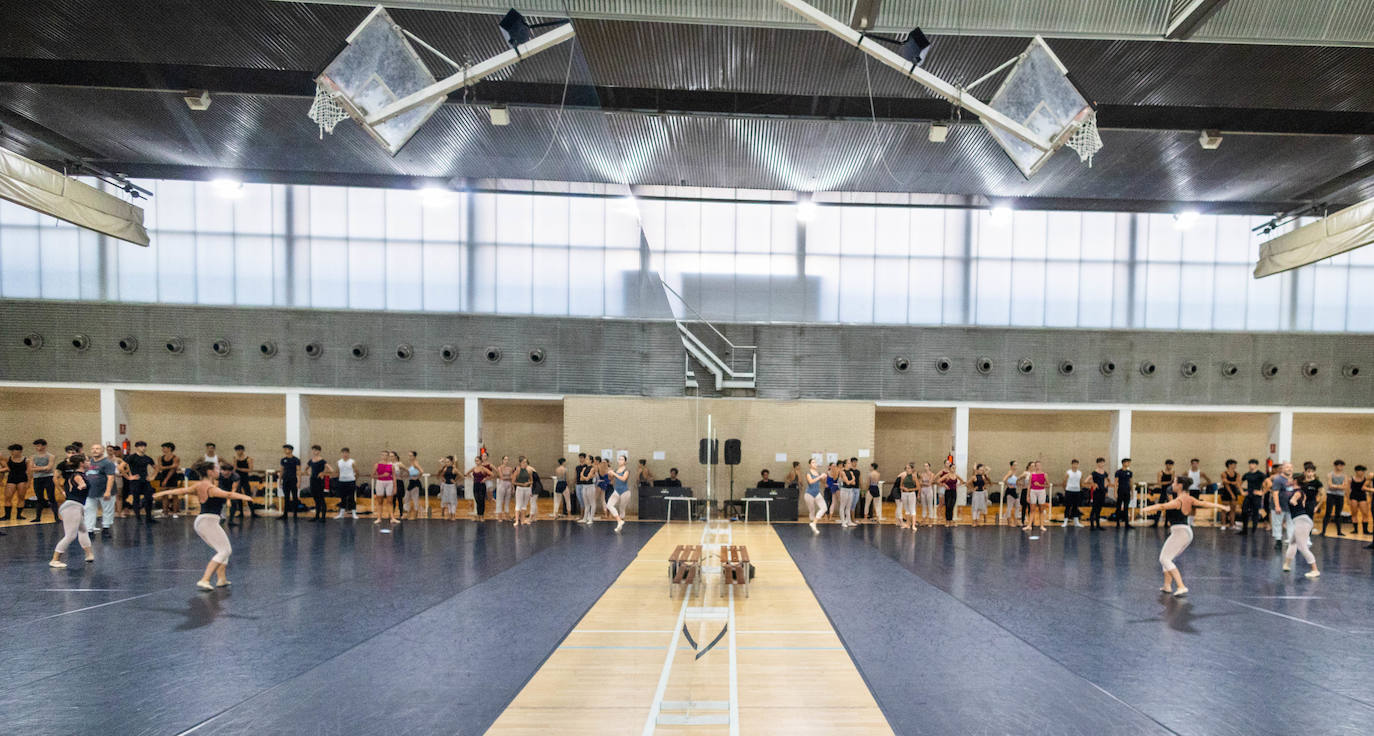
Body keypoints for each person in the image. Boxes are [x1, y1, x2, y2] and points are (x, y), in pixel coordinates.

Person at [153, 461, 255, 590]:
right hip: (208, 522)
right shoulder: (210, 488)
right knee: (225, 551)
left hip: (204, 521)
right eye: (216, 468)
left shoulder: (199, 485)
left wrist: (162, 493)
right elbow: (228, 494)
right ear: (210, 472)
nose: (219, 470)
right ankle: (205, 579)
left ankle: (221, 579)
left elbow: (182, 490)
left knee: (223, 549)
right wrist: (245, 497)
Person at [1140, 477, 1230, 596]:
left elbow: (1162, 506)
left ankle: (1181, 585)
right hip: (1185, 532)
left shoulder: (1179, 501)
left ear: (1180, 486)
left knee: (1164, 559)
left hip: (1180, 532)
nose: (1173, 484)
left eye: (1175, 482)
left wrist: (1147, 508)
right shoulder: (1189, 498)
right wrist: (1222, 507)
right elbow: (1204, 503)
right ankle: (1167, 585)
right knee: (1167, 557)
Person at [48, 454, 95, 568]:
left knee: (83, 530)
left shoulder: (79, 474)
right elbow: (81, 484)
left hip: (76, 506)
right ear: (82, 463)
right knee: (70, 535)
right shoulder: (78, 475)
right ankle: (55, 559)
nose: (89, 463)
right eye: (87, 461)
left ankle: (89, 554)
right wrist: (82, 486)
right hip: (71, 507)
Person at [1284, 464, 1322, 578]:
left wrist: (1293, 501)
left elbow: (1293, 500)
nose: (1288, 480)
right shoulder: (1301, 492)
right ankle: (1286, 564)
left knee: (1302, 547)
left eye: (1290, 478)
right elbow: (1302, 502)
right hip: (1302, 520)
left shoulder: (1298, 492)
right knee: (1292, 543)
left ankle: (1315, 570)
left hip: (1302, 522)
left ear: (1295, 481)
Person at [83, 442, 118, 538]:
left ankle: (106, 528)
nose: (95, 450)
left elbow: (111, 477)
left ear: (103, 451)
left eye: (97, 448)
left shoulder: (108, 463)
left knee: (107, 510)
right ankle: (89, 530)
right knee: (89, 510)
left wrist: (108, 491)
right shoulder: (88, 462)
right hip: (91, 491)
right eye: (93, 448)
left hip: (104, 491)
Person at [123, 441, 157, 524]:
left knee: (149, 498)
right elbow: (121, 467)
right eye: (141, 446)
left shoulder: (147, 458)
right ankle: (138, 518)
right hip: (135, 481)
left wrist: (152, 477)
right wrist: (129, 477)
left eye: (144, 446)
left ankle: (148, 518)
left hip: (145, 481)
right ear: (137, 447)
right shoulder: (132, 457)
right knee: (136, 499)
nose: (143, 448)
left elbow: (156, 468)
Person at [28, 439, 57, 523]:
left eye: (39, 445)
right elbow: (31, 469)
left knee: (51, 497)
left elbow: (49, 468)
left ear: (44, 446)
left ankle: (56, 517)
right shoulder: (33, 457)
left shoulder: (50, 456)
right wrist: (43, 468)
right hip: (37, 478)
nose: (38, 447)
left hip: (48, 478)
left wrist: (37, 468)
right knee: (39, 498)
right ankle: (38, 517)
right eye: (36, 446)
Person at [227, 444, 255, 526]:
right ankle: (241, 513)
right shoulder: (235, 458)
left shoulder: (248, 459)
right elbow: (234, 469)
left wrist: (238, 468)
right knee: (238, 495)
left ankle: (252, 512)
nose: (239, 452)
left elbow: (250, 470)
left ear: (243, 450)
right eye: (237, 450)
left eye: (240, 450)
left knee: (248, 494)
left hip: (245, 479)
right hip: (237, 479)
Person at [1268, 462, 1294, 550]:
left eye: (1290, 467)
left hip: (1290, 506)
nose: (1289, 469)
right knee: (1277, 523)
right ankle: (1278, 540)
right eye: (1287, 467)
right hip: (1280, 505)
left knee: (1291, 524)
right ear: (1282, 469)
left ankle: (1291, 541)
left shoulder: (1293, 480)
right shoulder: (1278, 479)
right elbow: (1275, 493)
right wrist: (1277, 506)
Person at [1239, 459, 1268, 536]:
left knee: (1255, 512)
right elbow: (1239, 483)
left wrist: (1262, 492)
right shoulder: (1247, 474)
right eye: (1250, 464)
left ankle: (1253, 531)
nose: (1251, 465)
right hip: (1248, 494)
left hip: (1256, 496)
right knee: (1244, 511)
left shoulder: (1260, 474)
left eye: (1252, 464)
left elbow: (1269, 484)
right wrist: (1242, 492)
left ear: (1256, 465)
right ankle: (1244, 530)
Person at [154, 442, 182, 519]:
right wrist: (171, 466)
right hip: (163, 476)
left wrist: (166, 479)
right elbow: (160, 468)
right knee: (164, 495)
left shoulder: (176, 458)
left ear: (169, 448)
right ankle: (165, 512)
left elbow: (173, 469)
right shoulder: (160, 457)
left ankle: (175, 512)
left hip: (172, 476)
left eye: (164, 448)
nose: (162, 449)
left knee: (174, 495)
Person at [1322, 460, 1348, 537]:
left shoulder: (1344, 476)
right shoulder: (1330, 474)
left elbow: (1345, 487)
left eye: (1342, 465)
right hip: (1331, 494)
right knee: (1328, 512)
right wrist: (1340, 486)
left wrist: (1335, 486)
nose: (1341, 467)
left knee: (1338, 514)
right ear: (1335, 466)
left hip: (1340, 495)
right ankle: (1323, 531)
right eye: (1339, 465)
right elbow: (1330, 485)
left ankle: (1339, 531)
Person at [305, 445, 332, 522]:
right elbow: (306, 469)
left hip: (319, 482)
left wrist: (323, 473)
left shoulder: (322, 460)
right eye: (313, 450)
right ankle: (317, 516)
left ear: (319, 451)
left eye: (316, 450)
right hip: (312, 481)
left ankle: (323, 517)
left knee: (321, 499)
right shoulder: (311, 460)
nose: (314, 452)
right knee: (316, 499)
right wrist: (309, 473)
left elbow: (331, 470)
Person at [4, 443, 30, 521]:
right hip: (11, 478)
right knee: (8, 497)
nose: (12, 452)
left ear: (19, 451)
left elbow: (29, 472)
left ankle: (19, 515)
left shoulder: (26, 460)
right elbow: (6, 468)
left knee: (21, 497)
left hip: (22, 479)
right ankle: (7, 515)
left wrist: (28, 482)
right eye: (11, 451)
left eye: (13, 451)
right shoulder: (8, 459)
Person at [372, 450, 398, 526]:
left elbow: (394, 476)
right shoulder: (377, 465)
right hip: (380, 482)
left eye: (386, 455)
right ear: (381, 456)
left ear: (388, 456)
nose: (384, 457)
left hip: (389, 483)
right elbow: (372, 475)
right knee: (380, 501)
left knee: (390, 501)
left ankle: (392, 518)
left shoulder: (391, 465)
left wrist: (395, 487)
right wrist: (382, 476)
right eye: (383, 455)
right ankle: (379, 518)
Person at [465, 454, 493, 520]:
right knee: (477, 500)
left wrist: (485, 479)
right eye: (475, 461)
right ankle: (478, 514)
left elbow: (492, 474)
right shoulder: (474, 468)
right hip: (475, 485)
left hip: (481, 485)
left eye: (477, 461)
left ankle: (481, 515)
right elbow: (466, 473)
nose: (476, 462)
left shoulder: (483, 468)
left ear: (480, 461)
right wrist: (471, 478)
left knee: (481, 500)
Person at [1348, 465, 1372, 545]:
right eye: (1360, 471)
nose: (1361, 472)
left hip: (1362, 496)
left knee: (1365, 513)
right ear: (1356, 471)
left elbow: (1368, 488)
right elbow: (1348, 489)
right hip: (1354, 496)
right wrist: (1348, 499)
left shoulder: (1366, 479)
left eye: (1363, 471)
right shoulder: (1351, 479)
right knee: (1354, 513)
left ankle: (1365, 530)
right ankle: (1355, 529)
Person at [606, 455, 630, 532]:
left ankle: (620, 525)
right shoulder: (616, 469)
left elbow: (623, 479)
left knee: (622, 509)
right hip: (617, 490)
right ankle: (619, 521)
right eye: (619, 459)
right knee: (609, 505)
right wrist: (609, 473)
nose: (620, 461)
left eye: (622, 459)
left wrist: (614, 473)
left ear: (625, 462)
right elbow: (611, 479)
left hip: (625, 491)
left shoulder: (626, 470)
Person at [278, 444, 303, 520]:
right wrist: (280, 480)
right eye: (284, 449)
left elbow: (298, 471)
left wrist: (299, 481)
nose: (285, 451)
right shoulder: (283, 460)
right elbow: (281, 470)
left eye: (286, 449)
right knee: (286, 497)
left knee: (295, 497)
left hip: (293, 480)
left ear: (291, 450)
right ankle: (285, 514)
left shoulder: (296, 460)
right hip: (286, 480)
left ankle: (295, 514)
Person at [512, 455, 537, 526]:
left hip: (527, 489)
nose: (525, 464)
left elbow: (532, 481)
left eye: (526, 462)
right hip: (520, 488)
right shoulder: (517, 470)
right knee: (518, 505)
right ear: (520, 463)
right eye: (524, 462)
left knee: (524, 505)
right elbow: (513, 482)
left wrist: (528, 483)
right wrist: (521, 484)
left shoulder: (529, 470)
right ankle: (517, 520)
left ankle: (523, 520)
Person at [804, 458, 827, 534]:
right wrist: (820, 477)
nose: (815, 464)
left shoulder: (818, 473)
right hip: (809, 494)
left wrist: (824, 477)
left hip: (817, 493)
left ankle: (813, 523)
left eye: (816, 462)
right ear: (810, 465)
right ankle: (813, 525)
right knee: (812, 511)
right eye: (813, 462)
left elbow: (823, 483)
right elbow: (811, 482)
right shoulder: (808, 473)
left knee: (824, 508)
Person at [1150, 460, 1175, 528]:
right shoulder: (1161, 472)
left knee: (1168, 507)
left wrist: (1170, 483)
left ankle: (1166, 523)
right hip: (1163, 491)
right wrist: (1169, 482)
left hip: (1170, 492)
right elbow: (1159, 483)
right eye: (1168, 464)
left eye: (1171, 465)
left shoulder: (1172, 472)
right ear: (1166, 465)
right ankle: (1156, 523)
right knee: (1160, 507)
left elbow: (1173, 482)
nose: (1169, 466)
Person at [937, 461, 962, 527]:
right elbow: (938, 481)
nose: (954, 469)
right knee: (948, 506)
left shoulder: (956, 475)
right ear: (950, 468)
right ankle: (947, 521)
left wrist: (958, 485)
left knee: (952, 506)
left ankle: (951, 520)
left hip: (954, 492)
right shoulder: (947, 475)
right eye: (953, 468)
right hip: (948, 492)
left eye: (955, 468)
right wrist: (944, 484)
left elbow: (962, 481)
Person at [334, 448, 358, 520]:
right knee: (342, 498)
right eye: (343, 453)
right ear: (341, 453)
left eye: (346, 453)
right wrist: (339, 479)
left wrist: (353, 479)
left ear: (348, 453)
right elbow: (337, 472)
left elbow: (357, 472)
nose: (345, 454)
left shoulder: (352, 462)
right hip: (342, 482)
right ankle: (341, 513)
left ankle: (354, 513)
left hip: (351, 481)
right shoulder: (338, 462)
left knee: (351, 498)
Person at [1218, 460, 1241, 531]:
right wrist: (1231, 494)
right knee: (1224, 509)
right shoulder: (1224, 473)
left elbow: (1237, 482)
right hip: (1226, 492)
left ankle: (1232, 524)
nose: (1235, 466)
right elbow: (1225, 483)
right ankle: (1223, 524)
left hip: (1234, 491)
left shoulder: (1237, 474)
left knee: (1233, 510)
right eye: (1234, 464)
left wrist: (1233, 483)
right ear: (1229, 465)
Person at [838, 458, 860, 528]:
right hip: (844, 490)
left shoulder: (851, 472)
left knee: (848, 507)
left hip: (850, 490)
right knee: (842, 506)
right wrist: (852, 479)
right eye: (849, 463)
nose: (850, 464)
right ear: (845, 464)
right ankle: (843, 522)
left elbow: (854, 483)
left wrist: (852, 480)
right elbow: (847, 482)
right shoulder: (842, 472)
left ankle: (849, 521)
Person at [1062, 459, 1084, 528]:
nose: (1075, 465)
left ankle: (1076, 522)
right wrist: (1066, 490)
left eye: (1076, 464)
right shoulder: (1068, 472)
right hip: (1069, 491)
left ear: (1078, 465)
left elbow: (1081, 482)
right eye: (1074, 464)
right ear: (1072, 465)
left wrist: (1079, 489)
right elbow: (1064, 482)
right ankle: (1065, 521)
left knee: (1075, 507)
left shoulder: (1080, 473)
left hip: (1077, 491)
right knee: (1068, 506)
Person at [1113, 458, 1134, 529]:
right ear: (1123, 463)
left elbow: (1131, 482)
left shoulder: (1130, 472)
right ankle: (1117, 523)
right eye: (1127, 462)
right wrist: (1115, 492)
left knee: (1126, 508)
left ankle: (1126, 524)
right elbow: (1115, 483)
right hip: (1120, 491)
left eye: (1129, 463)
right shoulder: (1118, 472)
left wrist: (1132, 492)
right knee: (1118, 507)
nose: (1128, 464)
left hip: (1127, 491)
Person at [1088, 458, 1109, 530]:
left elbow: (1106, 482)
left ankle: (1098, 524)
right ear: (1097, 463)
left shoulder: (1105, 472)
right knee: (1094, 508)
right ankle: (1091, 525)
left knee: (1099, 509)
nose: (1101, 464)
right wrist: (1093, 484)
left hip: (1102, 492)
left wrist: (1106, 490)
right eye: (1100, 463)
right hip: (1096, 492)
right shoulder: (1094, 472)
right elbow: (1086, 480)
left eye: (1103, 463)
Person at [898, 463, 919, 530]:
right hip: (904, 494)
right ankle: (907, 524)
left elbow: (918, 487)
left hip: (911, 494)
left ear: (912, 469)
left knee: (912, 509)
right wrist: (903, 488)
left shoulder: (914, 477)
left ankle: (913, 525)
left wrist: (909, 489)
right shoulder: (903, 477)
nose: (907, 469)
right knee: (907, 510)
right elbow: (900, 486)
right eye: (906, 468)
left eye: (909, 468)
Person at [576, 456, 596, 524]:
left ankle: (591, 519)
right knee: (586, 504)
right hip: (584, 486)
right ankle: (585, 518)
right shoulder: (584, 468)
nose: (585, 460)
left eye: (587, 459)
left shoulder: (592, 468)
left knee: (592, 503)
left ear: (591, 461)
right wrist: (583, 476)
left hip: (590, 486)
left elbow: (587, 478)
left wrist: (582, 475)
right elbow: (581, 479)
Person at [494, 456, 514, 522]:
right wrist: (509, 477)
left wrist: (512, 487)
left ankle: (507, 515)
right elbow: (502, 477)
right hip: (501, 484)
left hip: (508, 484)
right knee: (500, 500)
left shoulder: (510, 468)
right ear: (502, 460)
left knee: (507, 501)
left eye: (507, 459)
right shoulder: (499, 468)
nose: (506, 461)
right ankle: (499, 516)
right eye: (505, 459)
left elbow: (512, 477)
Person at [1000, 461, 1020, 526]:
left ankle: (1015, 520)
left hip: (1014, 490)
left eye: (1016, 465)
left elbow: (1013, 481)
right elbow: (1004, 479)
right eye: (1014, 465)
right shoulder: (1010, 472)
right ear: (1011, 466)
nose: (1015, 466)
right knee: (1010, 506)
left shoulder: (1014, 473)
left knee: (1017, 505)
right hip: (1010, 491)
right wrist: (1009, 485)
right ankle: (1009, 521)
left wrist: (1018, 484)